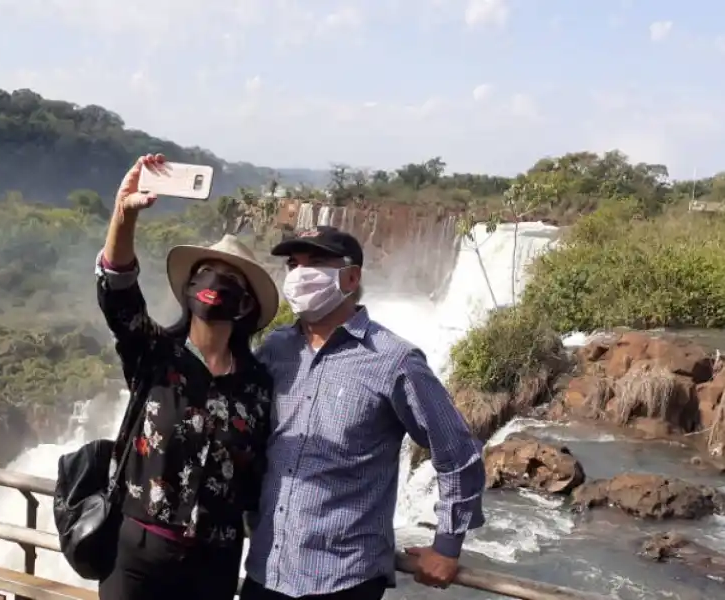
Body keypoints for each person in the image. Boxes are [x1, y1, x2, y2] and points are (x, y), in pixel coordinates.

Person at [241, 226, 486, 600]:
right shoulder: (276, 349)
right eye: (293, 264)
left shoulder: (394, 360)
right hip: (266, 569)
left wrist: (447, 546)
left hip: (343, 579)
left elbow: (458, 453)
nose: (300, 275)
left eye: (316, 263)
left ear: (351, 277)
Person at [95, 153, 279, 600]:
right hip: (138, 555)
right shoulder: (156, 354)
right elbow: (117, 290)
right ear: (189, 288)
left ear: (246, 305)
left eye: (230, 279)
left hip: (214, 564)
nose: (215, 283)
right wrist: (124, 213)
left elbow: (260, 478)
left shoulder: (258, 386)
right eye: (206, 273)